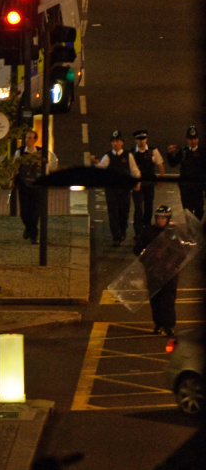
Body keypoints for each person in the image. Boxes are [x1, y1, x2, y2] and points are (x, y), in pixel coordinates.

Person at [133, 206, 179, 337]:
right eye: (158, 217)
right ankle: (158, 323)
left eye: (163, 218)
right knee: (155, 299)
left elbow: (181, 252)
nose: (160, 220)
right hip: (153, 271)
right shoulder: (148, 232)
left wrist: (171, 262)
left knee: (168, 299)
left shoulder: (173, 233)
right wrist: (150, 257)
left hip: (169, 272)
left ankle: (169, 325)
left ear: (168, 218)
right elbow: (138, 250)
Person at [90, 130, 141, 247]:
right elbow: (102, 167)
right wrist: (96, 163)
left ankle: (122, 230)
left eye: (117, 141)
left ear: (122, 142)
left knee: (124, 211)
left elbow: (134, 170)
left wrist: (137, 182)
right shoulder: (108, 156)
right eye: (113, 141)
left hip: (124, 189)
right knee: (113, 213)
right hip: (111, 189)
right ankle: (116, 236)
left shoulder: (128, 155)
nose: (115, 144)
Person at [13, 131, 59, 244]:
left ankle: (33, 236)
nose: (27, 140)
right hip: (24, 185)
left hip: (37, 186)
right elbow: (15, 166)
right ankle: (29, 228)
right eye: (26, 137)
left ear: (35, 140)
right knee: (24, 212)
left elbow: (53, 163)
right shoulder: (20, 152)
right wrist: (12, 180)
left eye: (30, 138)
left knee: (35, 212)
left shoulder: (42, 152)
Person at [130, 129, 166, 238]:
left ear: (146, 139)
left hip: (149, 183)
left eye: (144, 138)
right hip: (137, 184)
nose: (142, 141)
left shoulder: (153, 150)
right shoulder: (132, 153)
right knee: (138, 207)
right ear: (136, 140)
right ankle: (138, 230)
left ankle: (146, 226)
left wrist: (161, 178)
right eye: (139, 139)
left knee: (149, 206)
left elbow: (160, 164)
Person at [167, 125, 206, 220]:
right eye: (191, 139)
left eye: (195, 138)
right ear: (187, 140)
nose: (193, 141)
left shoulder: (203, 152)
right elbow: (173, 163)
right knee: (188, 212)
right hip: (186, 188)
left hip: (198, 187)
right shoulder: (183, 151)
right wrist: (169, 154)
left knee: (199, 212)